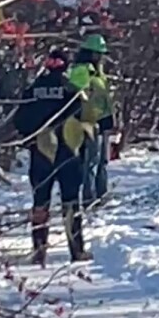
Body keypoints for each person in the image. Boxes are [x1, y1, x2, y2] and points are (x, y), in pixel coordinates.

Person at [13, 49, 91, 264]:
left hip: (41, 153)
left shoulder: (33, 90)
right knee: (71, 202)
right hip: (68, 154)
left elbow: (19, 121)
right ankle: (76, 250)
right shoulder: (72, 90)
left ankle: (39, 251)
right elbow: (85, 119)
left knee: (40, 202)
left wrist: (30, 138)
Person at [67, 34, 115, 207]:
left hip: (102, 122)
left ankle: (102, 195)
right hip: (88, 123)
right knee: (91, 161)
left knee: (103, 161)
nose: (102, 57)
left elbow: (104, 100)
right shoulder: (82, 71)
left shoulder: (99, 74)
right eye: (99, 54)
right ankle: (89, 198)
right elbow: (76, 96)